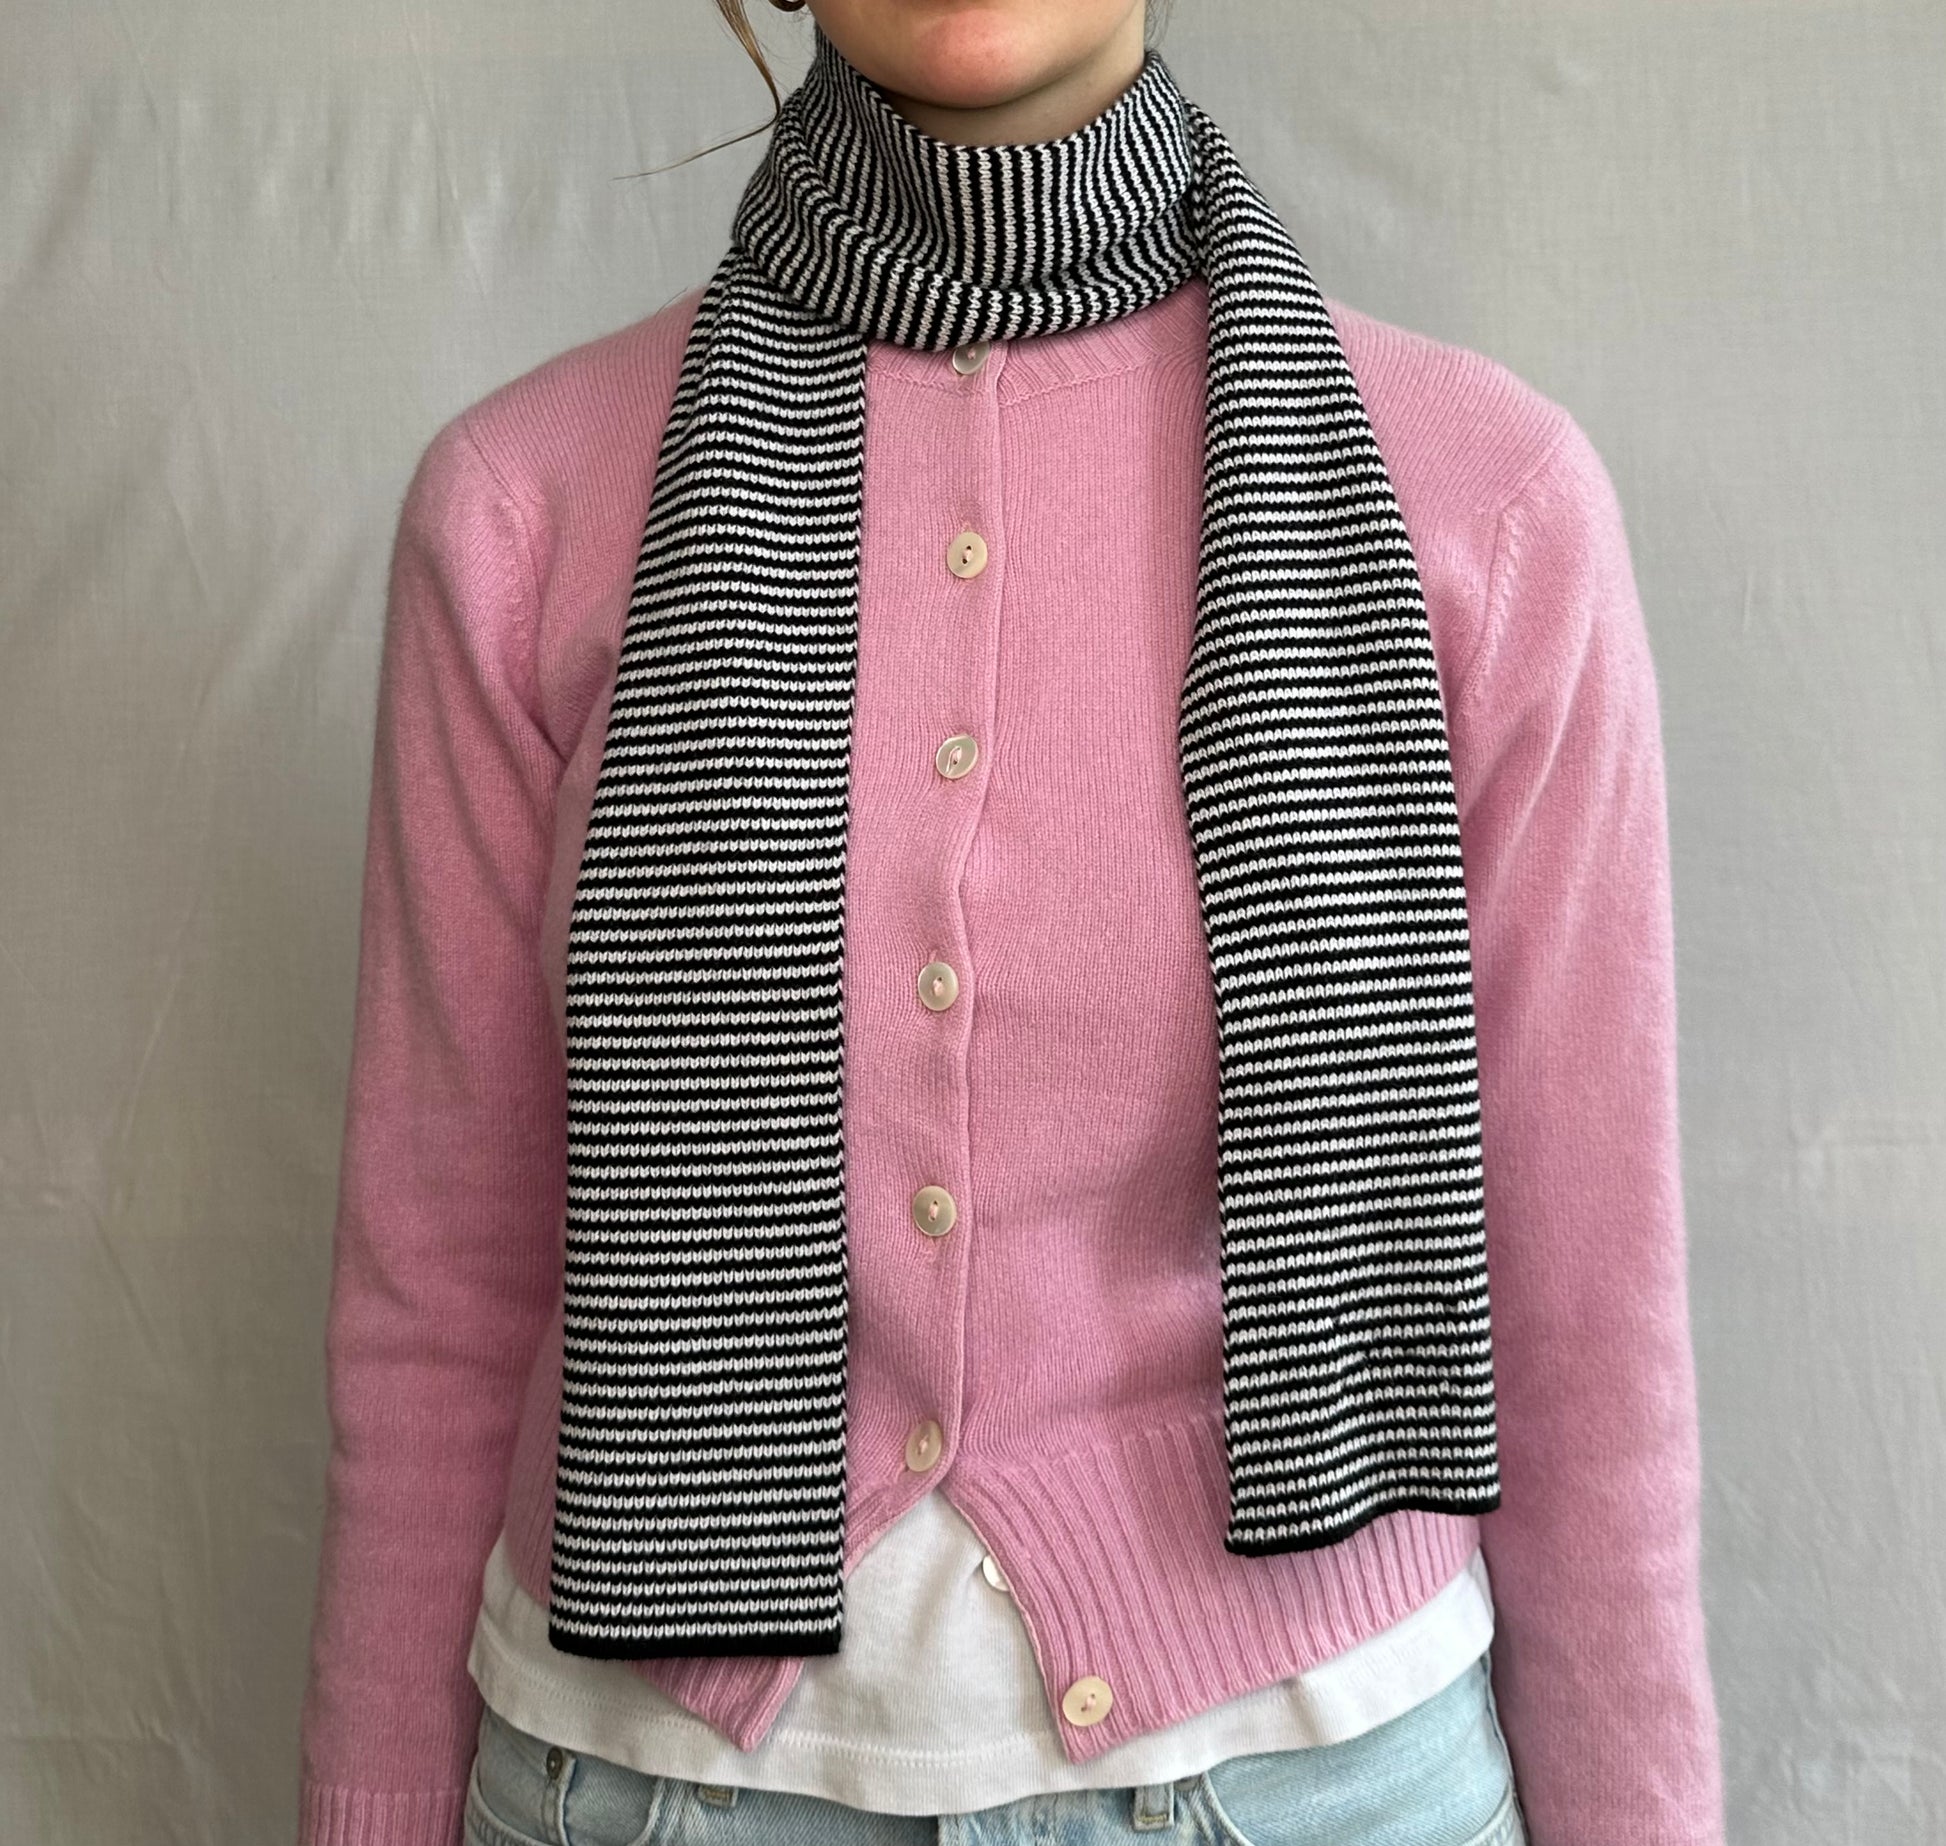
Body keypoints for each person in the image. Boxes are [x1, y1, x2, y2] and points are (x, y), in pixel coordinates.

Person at [295, 3, 1725, 1843]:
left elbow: (1587, 1318)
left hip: (1328, 1781)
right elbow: (438, 1286)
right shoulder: (524, 509)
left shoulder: (1484, 503)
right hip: (642, 1783)